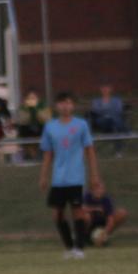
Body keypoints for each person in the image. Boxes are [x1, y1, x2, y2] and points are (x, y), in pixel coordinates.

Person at [39, 91, 101, 259]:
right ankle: (69, 246)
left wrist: (94, 175)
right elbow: (47, 154)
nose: (65, 106)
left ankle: (79, 248)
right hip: (58, 179)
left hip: (76, 177)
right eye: (61, 103)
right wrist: (44, 176)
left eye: (68, 103)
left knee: (78, 212)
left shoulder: (81, 125)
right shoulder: (50, 126)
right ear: (56, 106)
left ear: (73, 105)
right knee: (57, 215)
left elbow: (90, 151)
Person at [87, 84, 129, 153]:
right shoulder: (96, 101)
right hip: (102, 121)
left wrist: (104, 111)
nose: (105, 89)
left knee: (115, 123)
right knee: (114, 122)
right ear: (100, 89)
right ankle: (125, 130)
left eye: (107, 88)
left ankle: (118, 150)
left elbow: (119, 110)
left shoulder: (117, 100)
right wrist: (109, 112)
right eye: (103, 88)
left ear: (110, 89)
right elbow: (95, 110)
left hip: (114, 120)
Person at [17, 90, 49, 160]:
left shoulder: (43, 107)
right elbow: (22, 120)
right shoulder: (22, 107)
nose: (31, 101)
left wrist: (36, 110)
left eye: (33, 98)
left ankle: (38, 156)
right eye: (29, 99)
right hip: (26, 131)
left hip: (40, 130)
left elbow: (46, 119)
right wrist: (28, 110)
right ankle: (29, 155)